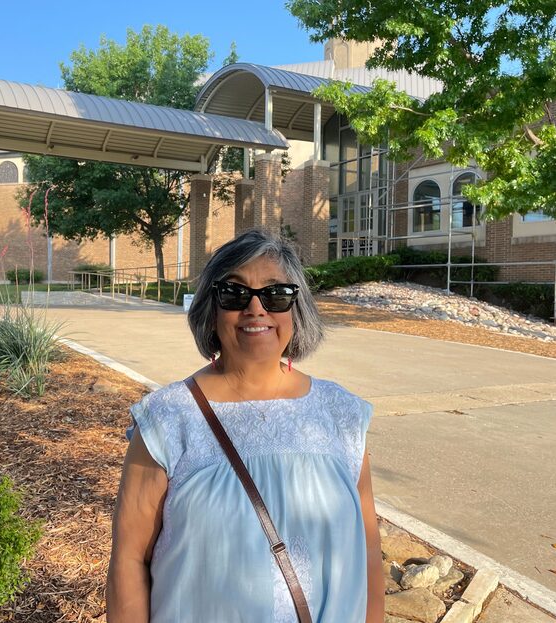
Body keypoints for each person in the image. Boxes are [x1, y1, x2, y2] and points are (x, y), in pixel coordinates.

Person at [106, 229, 384, 622]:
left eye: (275, 294)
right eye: (235, 294)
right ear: (211, 309)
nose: (256, 309)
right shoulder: (167, 419)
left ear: (295, 308)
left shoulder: (342, 415)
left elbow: (368, 549)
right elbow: (129, 560)